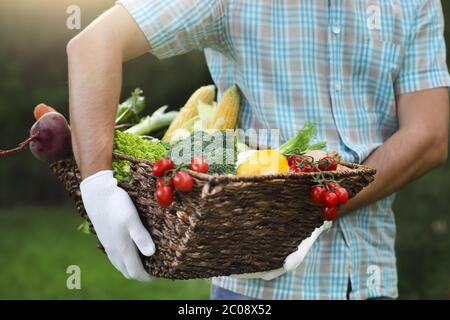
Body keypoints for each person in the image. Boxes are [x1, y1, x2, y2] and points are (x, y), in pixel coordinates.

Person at [67, 0, 450, 300]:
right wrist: (98, 186)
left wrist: (310, 209)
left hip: (370, 280)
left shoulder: (413, 2)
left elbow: (430, 135)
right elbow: (94, 44)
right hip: (253, 290)